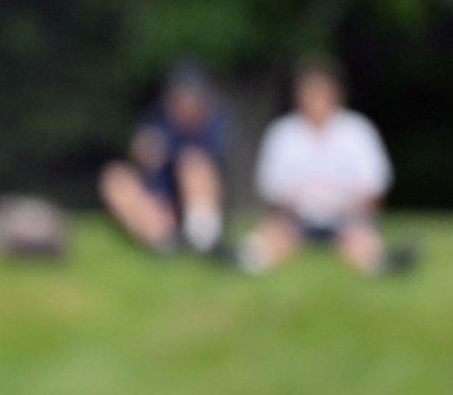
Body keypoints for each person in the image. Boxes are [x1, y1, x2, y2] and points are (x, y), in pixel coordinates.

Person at [242, 59, 406, 276]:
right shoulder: (283, 132)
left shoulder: (357, 131)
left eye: (321, 94)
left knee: (359, 239)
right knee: (273, 238)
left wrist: (343, 204)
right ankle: (246, 260)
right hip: (297, 217)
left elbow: (375, 186)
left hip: (347, 216)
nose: (316, 101)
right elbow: (271, 187)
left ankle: (380, 264)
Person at [100, 64, 228, 255]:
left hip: (189, 203)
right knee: (115, 177)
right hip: (156, 204)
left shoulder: (211, 127)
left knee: (193, 163)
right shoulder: (156, 122)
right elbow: (145, 163)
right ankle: (160, 238)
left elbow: (207, 167)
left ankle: (202, 236)